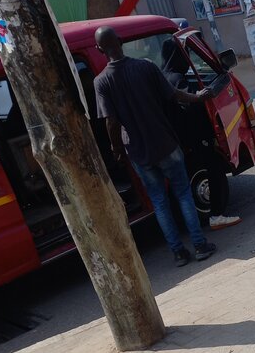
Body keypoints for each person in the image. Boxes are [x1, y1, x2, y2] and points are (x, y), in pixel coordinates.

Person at [94, 26, 216, 268]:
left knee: (159, 201)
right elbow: (174, 94)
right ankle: (200, 245)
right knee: (183, 194)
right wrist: (200, 97)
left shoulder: (101, 82)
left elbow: (111, 122)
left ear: (99, 50)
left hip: (139, 152)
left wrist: (116, 149)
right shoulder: (146, 66)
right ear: (120, 40)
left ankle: (179, 253)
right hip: (166, 143)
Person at [160, 37, 240, 233]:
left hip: (178, 140)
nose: (186, 58)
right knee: (215, 169)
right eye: (183, 54)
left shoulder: (163, 77)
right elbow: (191, 106)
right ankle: (217, 215)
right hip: (194, 138)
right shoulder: (177, 79)